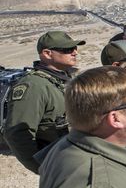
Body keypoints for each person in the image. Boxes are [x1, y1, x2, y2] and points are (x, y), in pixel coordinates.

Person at [4, 31, 83, 173]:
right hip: (59, 165)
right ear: (47, 54)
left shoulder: (64, 79)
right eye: (67, 50)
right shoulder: (33, 86)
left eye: (75, 48)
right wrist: (41, 167)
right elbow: (17, 133)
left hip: (74, 159)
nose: (75, 52)